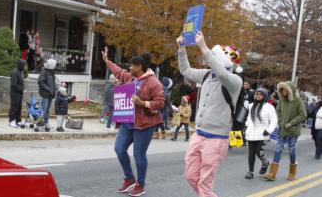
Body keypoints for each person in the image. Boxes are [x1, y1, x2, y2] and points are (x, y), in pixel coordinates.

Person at [177, 32, 242, 197]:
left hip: (216, 139)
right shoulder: (206, 75)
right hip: (199, 135)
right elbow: (185, 69)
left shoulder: (234, 81)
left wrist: (204, 46)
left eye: (213, 55)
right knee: (190, 176)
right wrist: (181, 48)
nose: (208, 57)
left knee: (204, 185)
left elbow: (221, 73)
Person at [102, 47, 165, 197]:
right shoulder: (130, 78)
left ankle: (140, 185)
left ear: (139, 67)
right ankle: (129, 178)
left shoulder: (153, 82)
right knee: (119, 149)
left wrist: (142, 103)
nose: (129, 68)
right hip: (128, 123)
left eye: (132, 65)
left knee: (139, 155)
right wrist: (107, 61)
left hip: (144, 125)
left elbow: (160, 103)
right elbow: (118, 72)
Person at [264, 81, 307, 181]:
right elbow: (278, 111)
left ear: (289, 90)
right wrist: (280, 122)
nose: (283, 91)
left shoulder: (298, 101)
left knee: (291, 150)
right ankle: (272, 173)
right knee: (278, 148)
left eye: (285, 89)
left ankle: (292, 172)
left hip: (293, 130)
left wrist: (291, 123)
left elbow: (303, 115)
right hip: (283, 129)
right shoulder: (282, 100)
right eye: (281, 89)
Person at [245, 88, 278, 179]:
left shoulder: (269, 107)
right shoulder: (251, 105)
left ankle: (265, 162)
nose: (258, 95)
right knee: (251, 153)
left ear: (264, 96)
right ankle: (250, 171)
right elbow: (248, 118)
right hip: (251, 133)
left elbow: (274, 120)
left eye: (260, 94)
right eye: (257, 94)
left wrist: (269, 130)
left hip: (263, 133)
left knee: (259, 152)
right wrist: (247, 125)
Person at [38, 59, 57, 131]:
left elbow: (53, 83)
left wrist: (54, 90)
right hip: (45, 94)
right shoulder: (44, 72)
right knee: (43, 109)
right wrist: (48, 89)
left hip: (51, 95)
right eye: (54, 64)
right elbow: (40, 82)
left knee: (47, 110)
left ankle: (46, 122)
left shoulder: (52, 72)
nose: (55, 66)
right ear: (51, 65)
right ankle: (39, 123)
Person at [9, 59, 26, 128]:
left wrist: (22, 90)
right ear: (21, 65)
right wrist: (22, 89)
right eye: (24, 65)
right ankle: (11, 121)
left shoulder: (21, 71)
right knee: (14, 107)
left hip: (19, 93)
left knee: (19, 107)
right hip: (14, 93)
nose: (25, 66)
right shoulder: (14, 72)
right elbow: (14, 84)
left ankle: (18, 120)